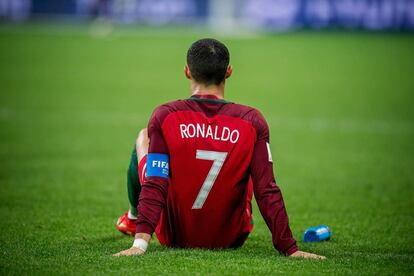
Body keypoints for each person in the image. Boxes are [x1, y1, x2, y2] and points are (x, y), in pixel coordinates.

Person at [113, 38, 325, 259]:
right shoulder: (252, 120)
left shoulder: (166, 115)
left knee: (145, 136)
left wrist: (140, 245)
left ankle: (134, 217)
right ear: (229, 72)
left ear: (187, 71)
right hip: (232, 238)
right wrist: (290, 248)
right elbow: (266, 189)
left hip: (173, 235)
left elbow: (156, 182)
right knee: (247, 159)